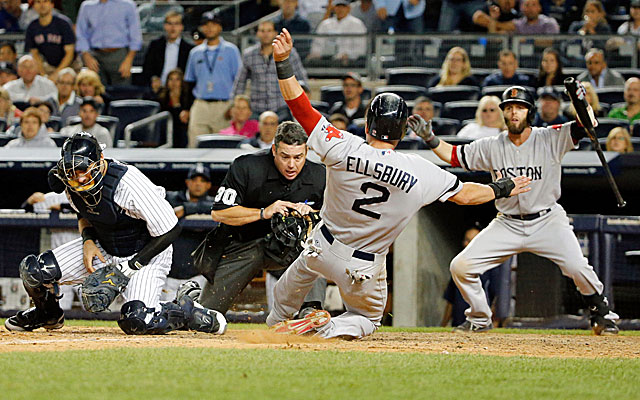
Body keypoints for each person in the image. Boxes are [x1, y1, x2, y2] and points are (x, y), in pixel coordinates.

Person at [265, 29, 531, 339]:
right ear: (403, 132)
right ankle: (327, 326)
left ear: (367, 125)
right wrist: (502, 188)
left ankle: (276, 328)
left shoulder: (343, 145)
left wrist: (283, 61)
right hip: (362, 267)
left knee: (280, 310)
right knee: (366, 319)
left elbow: (299, 106)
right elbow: (468, 196)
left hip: (321, 247)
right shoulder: (420, 170)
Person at [422, 84, 619, 335]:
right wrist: (430, 139)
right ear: (504, 113)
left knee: (577, 267)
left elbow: (586, 126)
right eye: (510, 108)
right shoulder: (491, 145)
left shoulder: (550, 137)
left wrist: (579, 101)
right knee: (461, 266)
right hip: (507, 223)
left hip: (547, 220)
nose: (514, 113)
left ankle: (602, 313)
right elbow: (454, 156)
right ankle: (480, 317)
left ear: (530, 113)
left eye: (520, 108)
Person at [4, 132, 227, 335]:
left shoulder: (128, 183)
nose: (79, 178)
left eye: (83, 170)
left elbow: (170, 230)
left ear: (99, 161)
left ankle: (185, 309)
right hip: (104, 246)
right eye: (72, 171)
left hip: (146, 252)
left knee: (137, 321)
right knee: (34, 270)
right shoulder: (69, 181)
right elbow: (83, 212)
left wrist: (130, 267)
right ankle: (48, 314)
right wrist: (88, 239)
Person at [197, 121, 328, 316]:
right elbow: (219, 213)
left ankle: (310, 311)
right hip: (243, 244)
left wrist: (313, 212)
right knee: (205, 314)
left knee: (314, 248)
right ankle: (190, 299)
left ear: (307, 152)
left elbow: (336, 217)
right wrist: (263, 212)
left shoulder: (319, 174)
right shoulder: (247, 166)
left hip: (290, 249)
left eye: (298, 157)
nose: (291, 164)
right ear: (274, 150)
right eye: (285, 156)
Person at [183, 10, 242, 147]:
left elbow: (239, 80)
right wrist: (186, 108)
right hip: (200, 104)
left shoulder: (231, 50)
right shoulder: (195, 52)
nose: (210, 28)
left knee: (223, 146)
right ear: (201, 28)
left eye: (214, 24)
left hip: (224, 105)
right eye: (206, 25)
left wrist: (234, 106)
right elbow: (189, 82)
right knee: (195, 144)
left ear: (220, 27)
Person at [233, 20, 307, 116]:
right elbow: (240, 82)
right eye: (262, 31)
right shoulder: (249, 54)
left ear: (275, 33)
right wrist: (234, 104)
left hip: (282, 106)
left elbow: (301, 78)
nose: (265, 34)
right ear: (257, 33)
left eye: (269, 31)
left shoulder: (289, 52)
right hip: (256, 108)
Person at [162, 165, 213, 302]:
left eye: (202, 181)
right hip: (169, 275)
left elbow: (218, 207)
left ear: (208, 185)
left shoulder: (213, 205)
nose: (198, 184)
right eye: (194, 180)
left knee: (195, 316)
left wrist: (186, 209)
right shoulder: (171, 199)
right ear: (187, 182)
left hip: (196, 275)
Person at [22, 191, 79, 310]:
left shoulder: (85, 195)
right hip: (60, 262)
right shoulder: (52, 197)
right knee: (62, 304)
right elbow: (25, 211)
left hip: (81, 259)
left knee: (93, 302)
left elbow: (87, 209)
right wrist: (29, 201)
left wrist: (63, 207)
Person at [75, 0, 143, 86]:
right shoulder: (86, 6)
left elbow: (136, 35)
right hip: (95, 56)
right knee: (96, 92)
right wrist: (86, 55)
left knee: (121, 93)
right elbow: (81, 33)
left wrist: (129, 60)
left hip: (119, 56)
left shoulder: (128, 5)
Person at [141, 11, 194, 89]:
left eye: (176, 24)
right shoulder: (155, 45)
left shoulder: (189, 49)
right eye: (169, 24)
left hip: (181, 91)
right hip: (158, 88)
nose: (173, 28)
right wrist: (154, 79)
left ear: (181, 27)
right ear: (165, 26)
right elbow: (147, 69)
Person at [25, 0, 76, 81]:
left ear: (52, 4)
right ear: (34, 6)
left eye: (45, 1)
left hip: (69, 65)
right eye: (38, 2)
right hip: (46, 67)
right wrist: (43, 75)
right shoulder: (32, 27)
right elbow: (35, 54)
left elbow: (69, 53)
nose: (42, 5)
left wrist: (57, 74)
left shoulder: (63, 23)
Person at [307, 0, 367, 64]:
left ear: (349, 8)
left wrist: (349, 55)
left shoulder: (357, 24)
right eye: (338, 6)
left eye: (343, 6)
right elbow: (317, 44)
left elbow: (361, 49)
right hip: (326, 61)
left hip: (350, 62)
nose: (340, 9)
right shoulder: (325, 24)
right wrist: (317, 54)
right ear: (334, 8)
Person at [155, 68, 189, 148]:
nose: (174, 83)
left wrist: (176, 103)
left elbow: (182, 121)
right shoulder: (162, 97)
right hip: (164, 130)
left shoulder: (187, 98)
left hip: (180, 131)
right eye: (171, 79)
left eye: (177, 79)